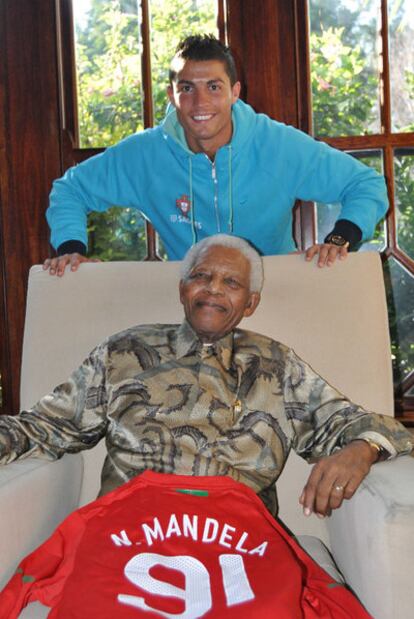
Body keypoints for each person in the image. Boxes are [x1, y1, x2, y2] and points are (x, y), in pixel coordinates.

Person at [2, 234, 411, 520]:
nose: (213, 290)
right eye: (201, 276)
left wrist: (362, 448)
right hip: (127, 525)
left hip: (237, 534)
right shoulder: (123, 351)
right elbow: (44, 425)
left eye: (231, 282)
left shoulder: (275, 364)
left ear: (250, 304)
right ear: (182, 289)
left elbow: (361, 424)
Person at [44, 35, 388, 276]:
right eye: (187, 88)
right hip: (192, 304)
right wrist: (71, 250)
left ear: (235, 92)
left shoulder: (277, 144)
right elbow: (70, 190)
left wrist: (339, 240)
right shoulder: (145, 155)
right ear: (171, 95)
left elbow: (367, 185)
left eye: (214, 87)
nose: (201, 103)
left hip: (275, 292)